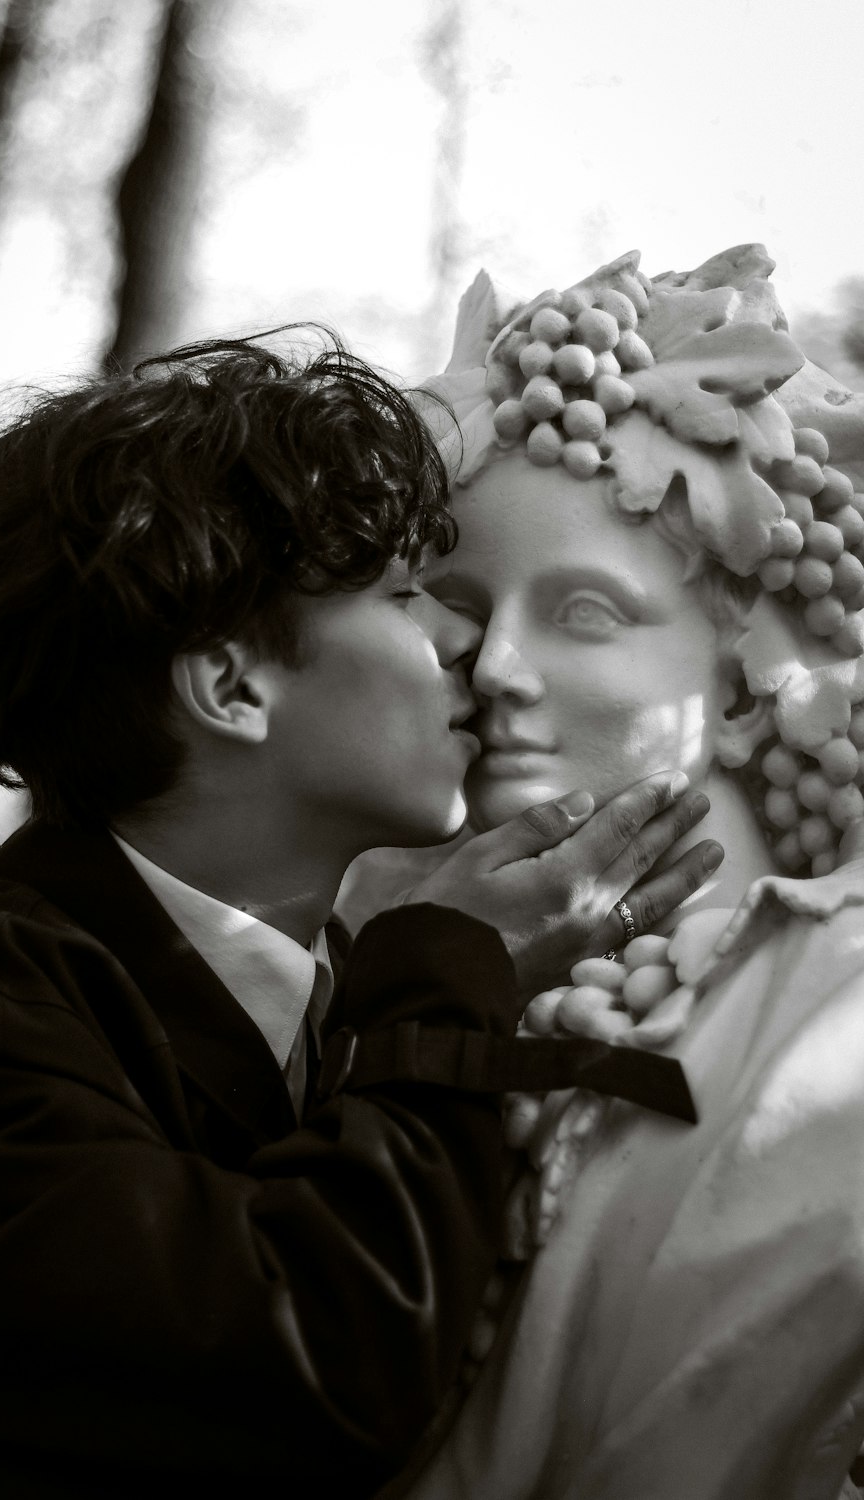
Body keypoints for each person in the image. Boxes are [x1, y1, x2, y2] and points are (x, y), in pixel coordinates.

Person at [0, 330, 715, 1499]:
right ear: (230, 686)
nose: (469, 646)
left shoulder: (332, 992)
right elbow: (297, 1376)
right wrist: (439, 978)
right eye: (408, 596)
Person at [337, 247, 864, 1500]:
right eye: (461, 615)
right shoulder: (362, 1004)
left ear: (746, 692)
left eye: (580, 615)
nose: (495, 673)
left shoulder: (830, 1010)